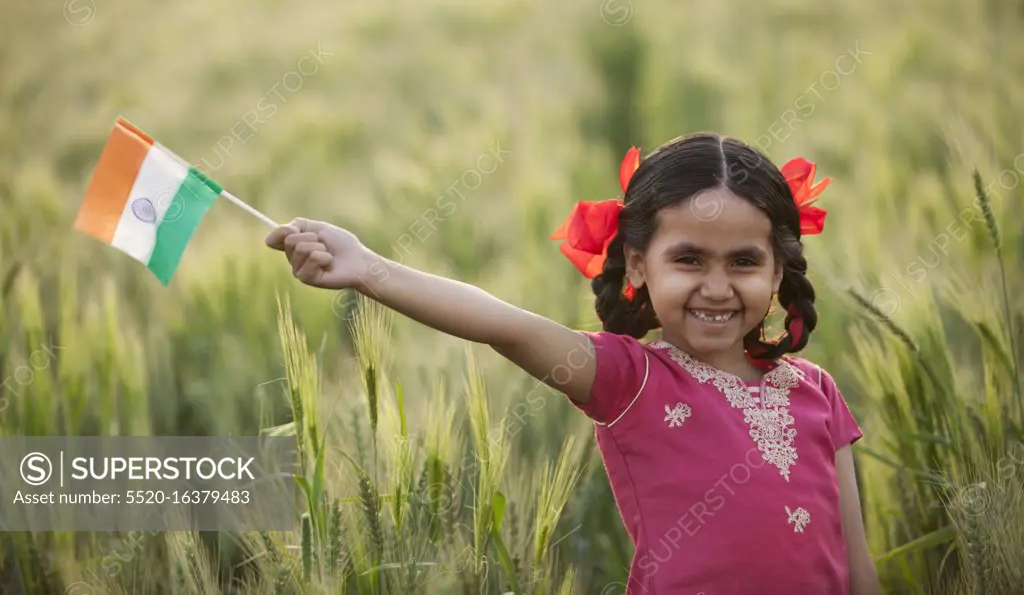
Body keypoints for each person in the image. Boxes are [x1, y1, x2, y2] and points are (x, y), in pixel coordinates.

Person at [265, 132, 880, 595]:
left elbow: (858, 564)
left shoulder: (817, 392)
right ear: (638, 264)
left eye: (743, 263)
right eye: (689, 260)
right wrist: (369, 270)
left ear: (777, 268)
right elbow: (502, 325)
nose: (717, 287)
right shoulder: (630, 379)